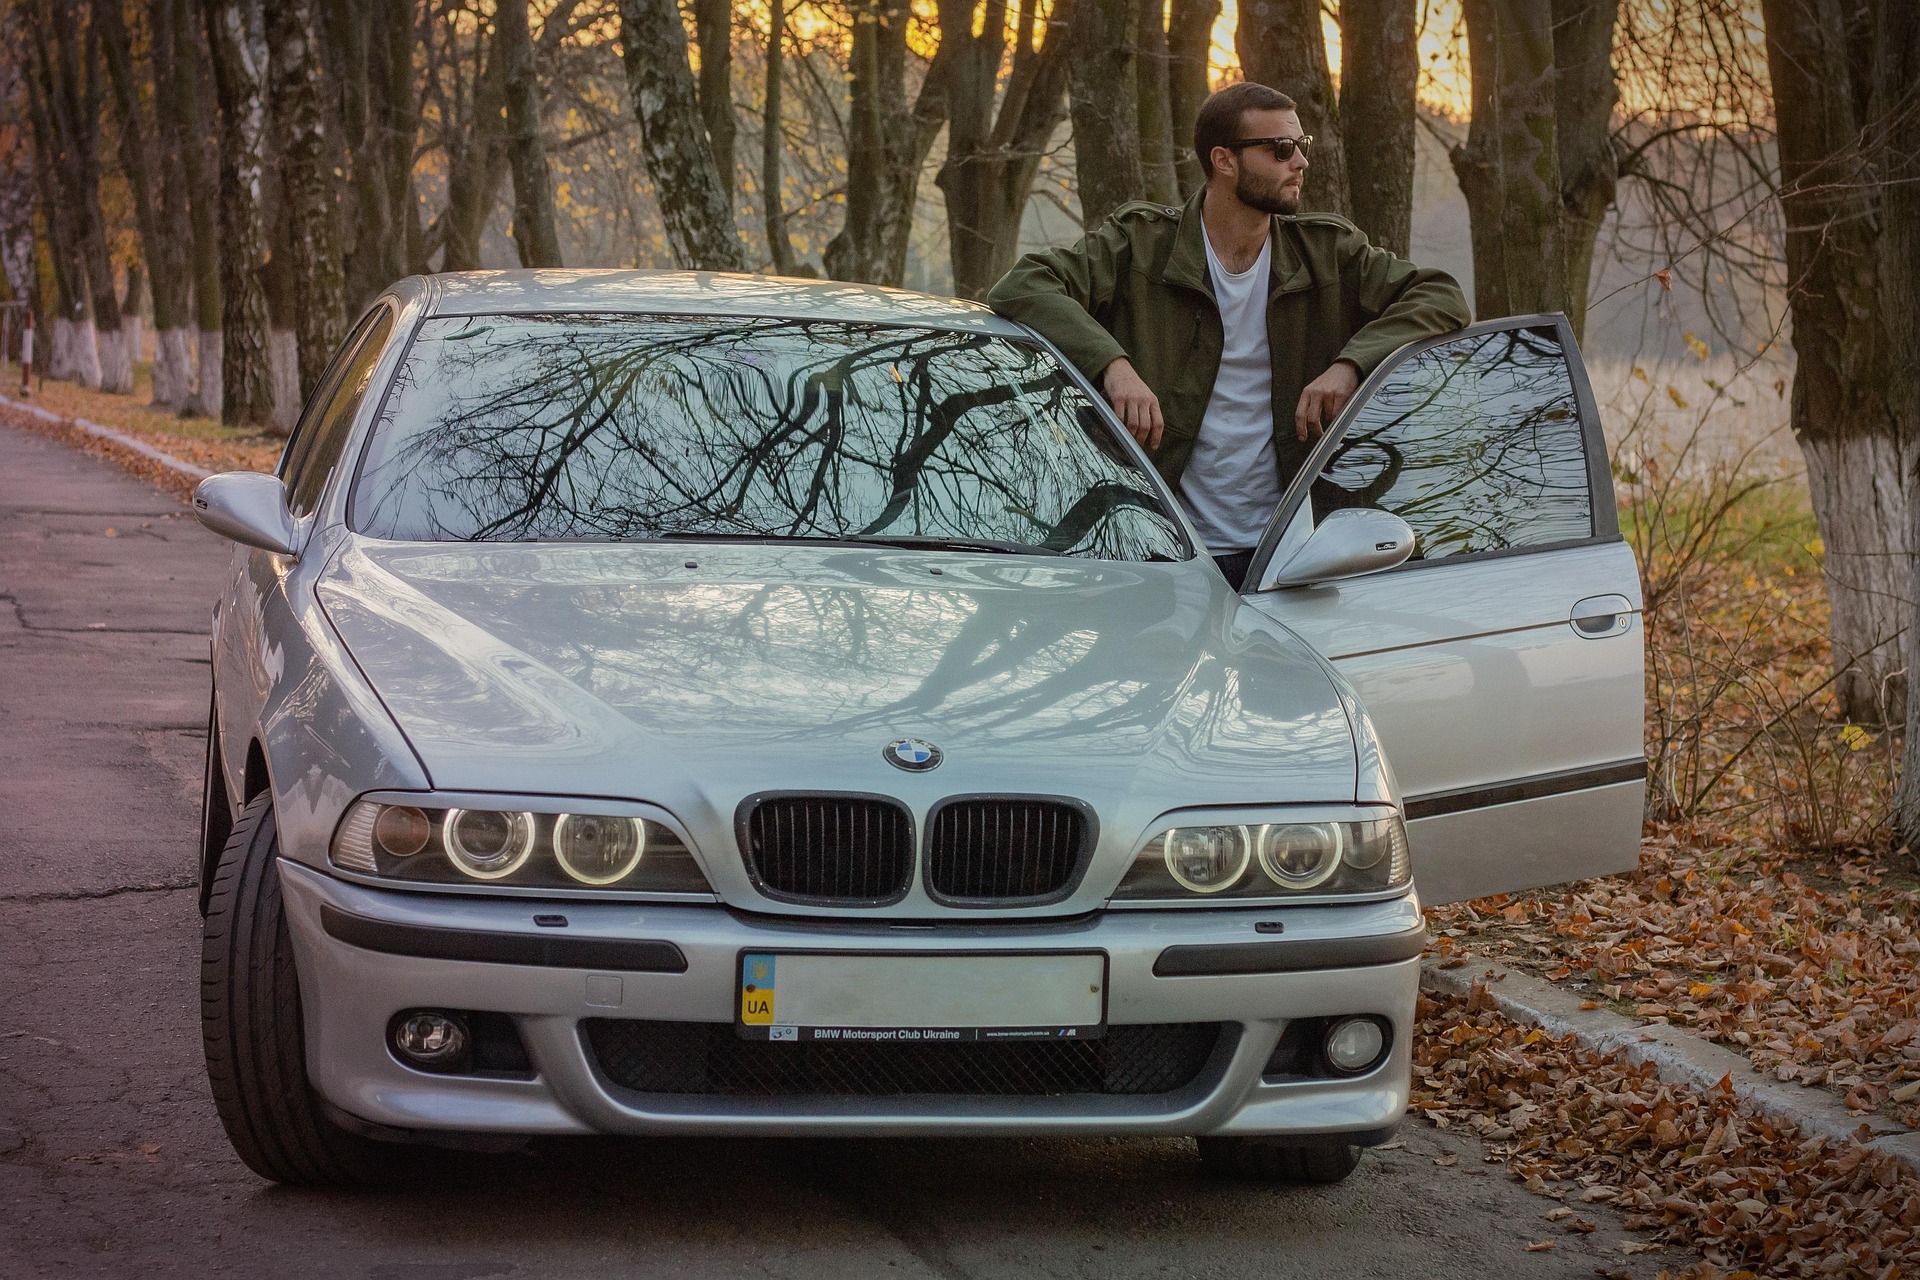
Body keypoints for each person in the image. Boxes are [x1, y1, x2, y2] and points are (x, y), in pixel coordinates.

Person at [987, 82, 1471, 585]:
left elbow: (1440, 296)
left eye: (1301, 147)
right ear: (1224, 160)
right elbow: (1024, 286)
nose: (1300, 162)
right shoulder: (1141, 246)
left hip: (1296, 557)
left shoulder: (1327, 252)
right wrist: (1113, 365)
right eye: (1281, 149)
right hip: (1160, 551)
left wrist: (1351, 366)